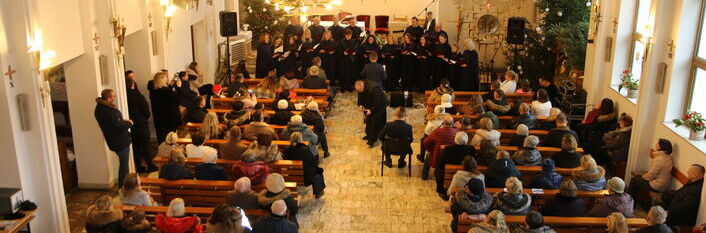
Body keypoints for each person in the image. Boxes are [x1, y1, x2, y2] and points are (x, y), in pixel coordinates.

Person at [94, 89, 133, 187]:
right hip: (120, 141)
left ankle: (126, 186)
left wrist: (121, 121)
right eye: (113, 96)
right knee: (124, 166)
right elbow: (119, 126)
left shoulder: (98, 108)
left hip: (112, 140)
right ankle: (124, 187)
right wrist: (129, 123)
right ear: (108, 98)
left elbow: (114, 123)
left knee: (124, 164)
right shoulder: (110, 111)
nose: (114, 98)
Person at [125, 78, 157, 173]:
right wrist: (147, 116)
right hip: (141, 123)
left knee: (135, 146)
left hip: (131, 124)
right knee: (146, 145)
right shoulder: (137, 95)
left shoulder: (124, 95)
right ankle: (150, 165)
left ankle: (138, 166)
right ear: (133, 85)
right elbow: (145, 108)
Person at [283, 132, 324, 198]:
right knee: (317, 171)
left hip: (292, 175)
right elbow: (313, 161)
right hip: (306, 178)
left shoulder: (287, 149)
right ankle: (319, 192)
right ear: (300, 139)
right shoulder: (304, 149)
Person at [436, 132, 476, 197]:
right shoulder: (471, 149)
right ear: (466, 140)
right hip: (466, 174)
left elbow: (441, 163)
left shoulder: (448, 149)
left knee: (438, 169)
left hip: (450, 174)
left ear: (455, 140)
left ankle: (441, 191)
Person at [148, 72, 181, 144]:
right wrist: (178, 88)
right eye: (166, 78)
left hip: (159, 117)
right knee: (170, 136)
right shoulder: (167, 91)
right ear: (162, 79)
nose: (167, 79)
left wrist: (170, 86)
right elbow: (177, 100)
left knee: (161, 135)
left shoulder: (153, 92)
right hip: (169, 118)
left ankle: (162, 150)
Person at [423, 116, 460, 180]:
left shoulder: (437, 131)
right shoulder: (457, 132)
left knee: (428, 156)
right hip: (452, 157)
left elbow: (425, 142)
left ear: (443, 123)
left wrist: (431, 150)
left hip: (438, 156)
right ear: (452, 123)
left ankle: (424, 176)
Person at [356, 80, 388, 147]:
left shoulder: (374, 89)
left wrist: (371, 111)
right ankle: (369, 135)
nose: (359, 92)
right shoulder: (360, 88)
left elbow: (378, 103)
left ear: (363, 86)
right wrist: (360, 105)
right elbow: (360, 95)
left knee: (375, 122)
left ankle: (372, 140)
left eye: (360, 90)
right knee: (368, 121)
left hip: (380, 105)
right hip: (371, 103)